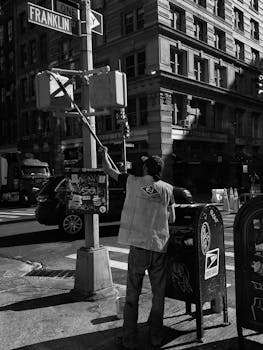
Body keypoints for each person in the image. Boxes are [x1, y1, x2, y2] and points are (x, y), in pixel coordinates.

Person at [99, 146, 176, 349]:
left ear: (145, 169)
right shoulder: (168, 189)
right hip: (159, 247)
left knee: (133, 294)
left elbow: (109, 170)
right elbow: (173, 217)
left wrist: (104, 153)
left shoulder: (132, 182)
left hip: (139, 247)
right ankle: (156, 338)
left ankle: (130, 339)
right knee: (158, 295)